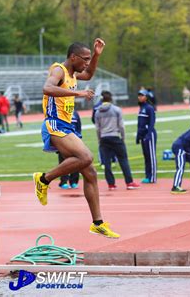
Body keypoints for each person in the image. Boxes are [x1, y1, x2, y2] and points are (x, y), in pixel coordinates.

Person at [33, 38, 120, 238]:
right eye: (85, 59)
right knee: (86, 157)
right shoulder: (59, 70)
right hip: (55, 123)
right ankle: (43, 179)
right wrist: (78, 93)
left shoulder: (73, 73)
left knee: (90, 173)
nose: (87, 63)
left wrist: (97, 54)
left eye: (90, 59)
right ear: (73, 57)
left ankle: (97, 223)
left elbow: (88, 74)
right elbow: (47, 88)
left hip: (68, 125)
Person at [95, 91, 140, 191]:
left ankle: (111, 184)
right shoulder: (116, 110)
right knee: (123, 159)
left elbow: (97, 128)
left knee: (106, 162)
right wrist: (123, 138)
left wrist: (99, 139)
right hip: (115, 137)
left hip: (104, 138)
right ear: (111, 99)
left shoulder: (98, 112)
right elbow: (121, 126)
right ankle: (129, 182)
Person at [136, 89, 157, 184]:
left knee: (151, 156)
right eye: (139, 95)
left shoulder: (149, 108)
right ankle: (147, 176)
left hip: (150, 135)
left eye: (142, 95)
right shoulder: (141, 108)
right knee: (146, 156)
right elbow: (139, 124)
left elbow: (152, 123)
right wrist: (138, 136)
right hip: (143, 135)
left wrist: (148, 135)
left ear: (146, 97)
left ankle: (152, 177)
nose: (140, 97)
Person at [58, 110, 81, 189]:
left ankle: (74, 181)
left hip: (75, 141)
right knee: (63, 162)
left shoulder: (75, 113)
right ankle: (63, 182)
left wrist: (79, 138)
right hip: (63, 141)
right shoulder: (59, 112)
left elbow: (78, 127)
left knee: (76, 162)